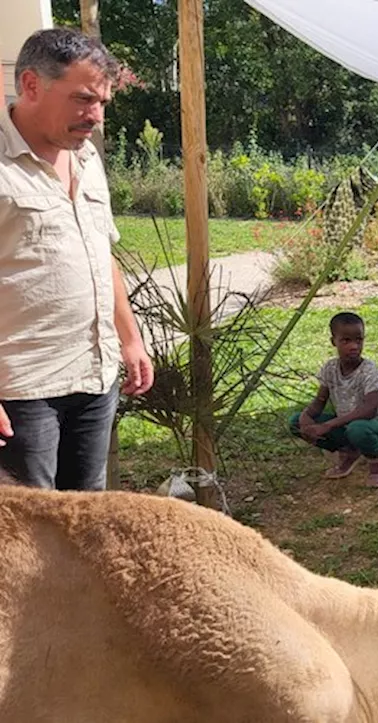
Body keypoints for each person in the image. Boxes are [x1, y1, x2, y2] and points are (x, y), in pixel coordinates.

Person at [0, 29, 153, 490]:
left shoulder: (87, 158)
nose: (96, 116)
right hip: (22, 388)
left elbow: (99, 252)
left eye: (103, 102)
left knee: (86, 520)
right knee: (28, 536)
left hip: (94, 375)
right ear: (31, 85)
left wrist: (129, 339)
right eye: (83, 99)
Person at [289, 312, 378, 487]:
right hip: (345, 425)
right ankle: (349, 452)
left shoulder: (370, 371)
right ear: (334, 341)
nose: (354, 346)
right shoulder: (330, 368)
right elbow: (320, 401)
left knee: (358, 429)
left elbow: (370, 409)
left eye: (359, 340)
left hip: (375, 426)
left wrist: (328, 425)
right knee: (295, 421)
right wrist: (306, 418)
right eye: (346, 341)